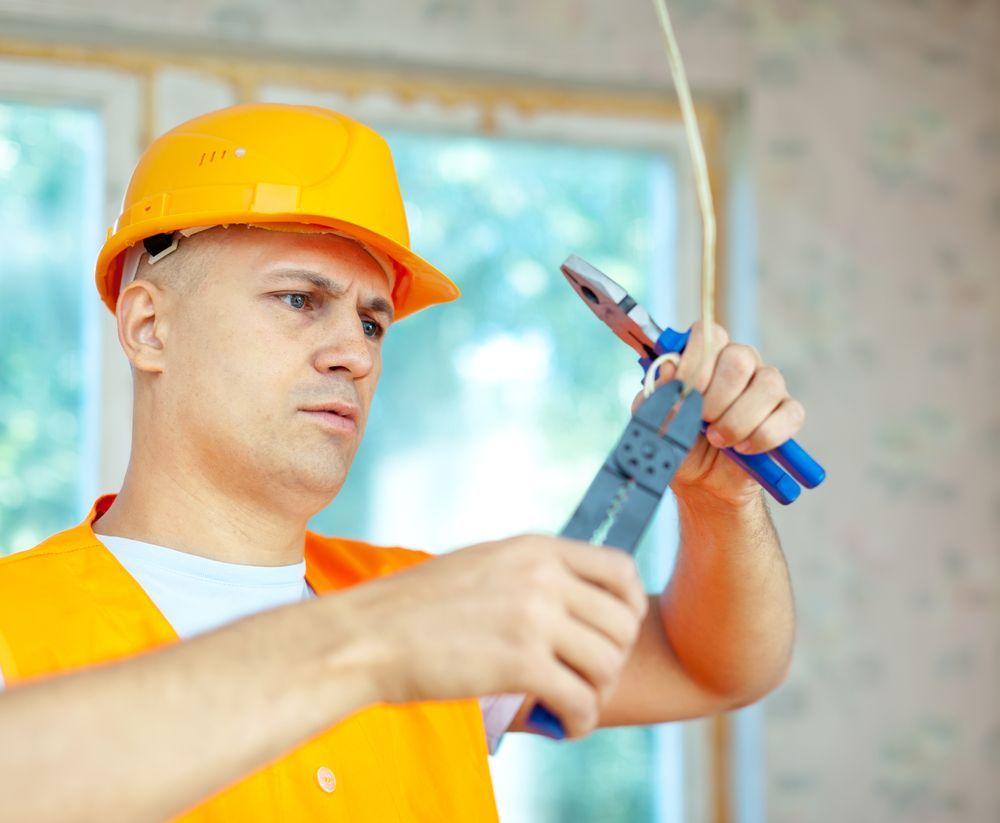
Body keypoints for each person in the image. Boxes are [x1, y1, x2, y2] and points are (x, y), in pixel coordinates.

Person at [0, 103, 800, 821]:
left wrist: (721, 500)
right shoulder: (19, 621)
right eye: (300, 299)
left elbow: (711, 666)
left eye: (374, 321)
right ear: (148, 328)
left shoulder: (423, 603)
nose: (354, 351)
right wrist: (382, 640)